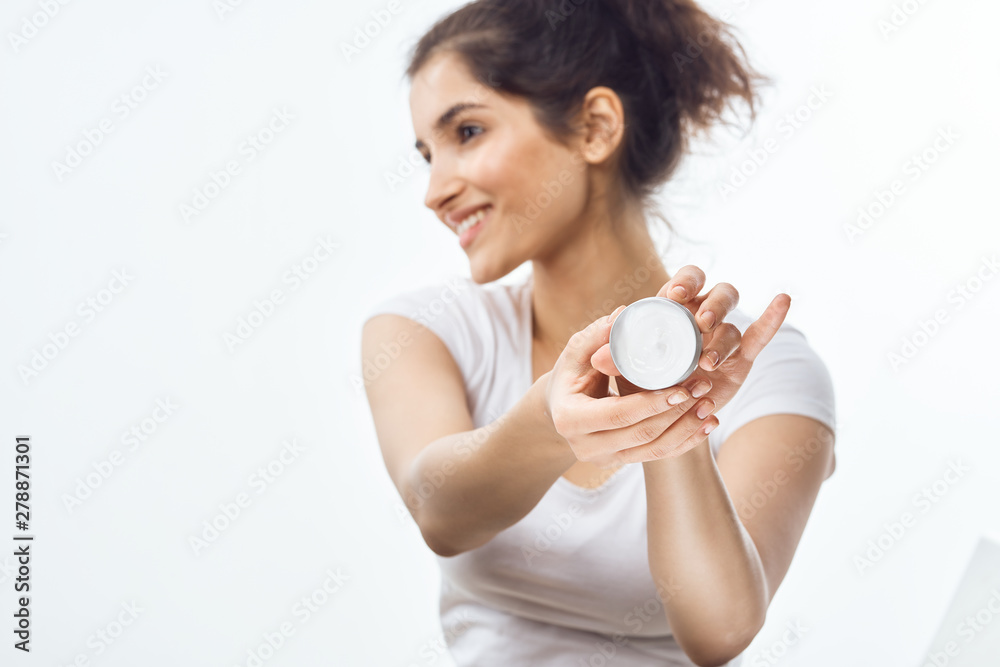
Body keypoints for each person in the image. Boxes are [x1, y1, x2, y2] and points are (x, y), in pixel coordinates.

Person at [361, 1, 836, 664]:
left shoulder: (774, 369)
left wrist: (673, 397)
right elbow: (441, 511)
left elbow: (719, 631)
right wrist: (554, 416)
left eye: (467, 132)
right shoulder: (425, 332)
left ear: (594, 126)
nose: (435, 190)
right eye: (426, 154)